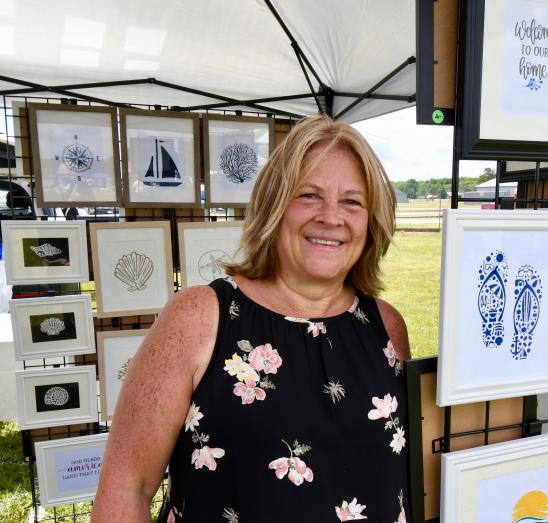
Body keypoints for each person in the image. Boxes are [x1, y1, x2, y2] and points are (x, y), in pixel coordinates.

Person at [92, 116, 411, 522]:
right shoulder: (198, 318)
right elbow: (127, 488)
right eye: (309, 195)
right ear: (273, 205)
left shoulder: (387, 328)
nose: (331, 216)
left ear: (371, 221)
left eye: (352, 201)